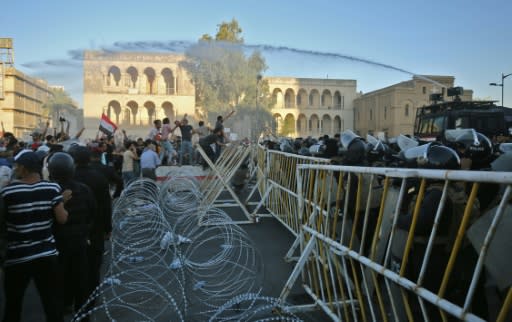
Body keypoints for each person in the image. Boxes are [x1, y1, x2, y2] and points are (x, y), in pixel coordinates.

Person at [1, 150, 68, 322]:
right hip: (46, 254)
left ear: (23, 168)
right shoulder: (52, 188)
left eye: (17, 166)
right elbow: (61, 219)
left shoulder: (8, 191)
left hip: (18, 256)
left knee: (13, 304)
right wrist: (62, 202)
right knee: (51, 303)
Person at [48, 152, 96, 315]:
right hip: (79, 242)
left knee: (57, 282)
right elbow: (92, 213)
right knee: (81, 282)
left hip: (56, 244)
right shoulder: (83, 190)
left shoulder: (48, 191)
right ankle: (82, 314)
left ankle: (62, 308)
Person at [69, 146, 112, 313]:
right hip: (95, 228)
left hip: (71, 229)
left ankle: (69, 299)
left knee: (72, 266)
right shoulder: (99, 177)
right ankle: (90, 301)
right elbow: (106, 205)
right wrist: (108, 228)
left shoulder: (68, 177)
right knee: (93, 266)